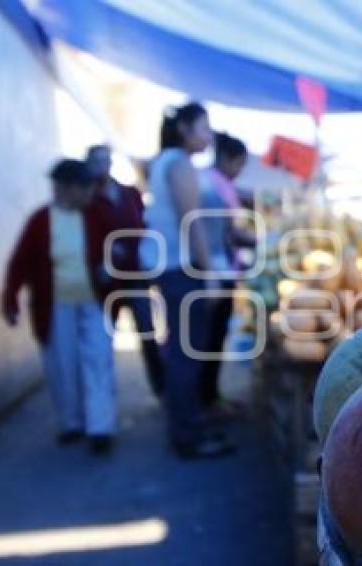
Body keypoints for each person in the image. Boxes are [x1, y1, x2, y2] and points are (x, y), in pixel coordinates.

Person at [1, 159, 118, 455]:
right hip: (55, 305)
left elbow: (119, 247)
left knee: (98, 359)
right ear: (66, 189)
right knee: (62, 364)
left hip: (94, 300)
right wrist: (10, 298)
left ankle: (100, 426)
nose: (91, 193)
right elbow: (20, 262)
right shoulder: (40, 221)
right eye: (86, 188)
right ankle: (71, 422)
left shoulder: (97, 215)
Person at [140, 102, 235, 459]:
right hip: (182, 269)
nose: (208, 136)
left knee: (184, 351)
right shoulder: (178, 163)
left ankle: (189, 425)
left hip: (172, 268)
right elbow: (191, 219)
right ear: (183, 127)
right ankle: (188, 437)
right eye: (204, 128)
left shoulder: (165, 161)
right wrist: (209, 273)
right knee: (187, 354)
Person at [86, 144, 164, 398]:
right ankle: (102, 400)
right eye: (97, 160)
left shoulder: (129, 194)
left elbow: (144, 226)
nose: (103, 165)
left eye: (106, 159)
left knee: (148, 335)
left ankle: (161, 390)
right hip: (105, 283)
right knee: (102, 342)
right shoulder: (87, 200)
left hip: (135, 277)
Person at [198, 132, 255, 413]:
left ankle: (209, 397)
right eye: (240, 164)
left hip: (223, 271)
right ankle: (206, 400)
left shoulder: (220, 184)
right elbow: (227, 233)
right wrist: (261, 242)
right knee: (210, 341)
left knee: (214, 340)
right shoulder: (214, 186)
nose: (240, 171)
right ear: (227, 159)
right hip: (216, 275)